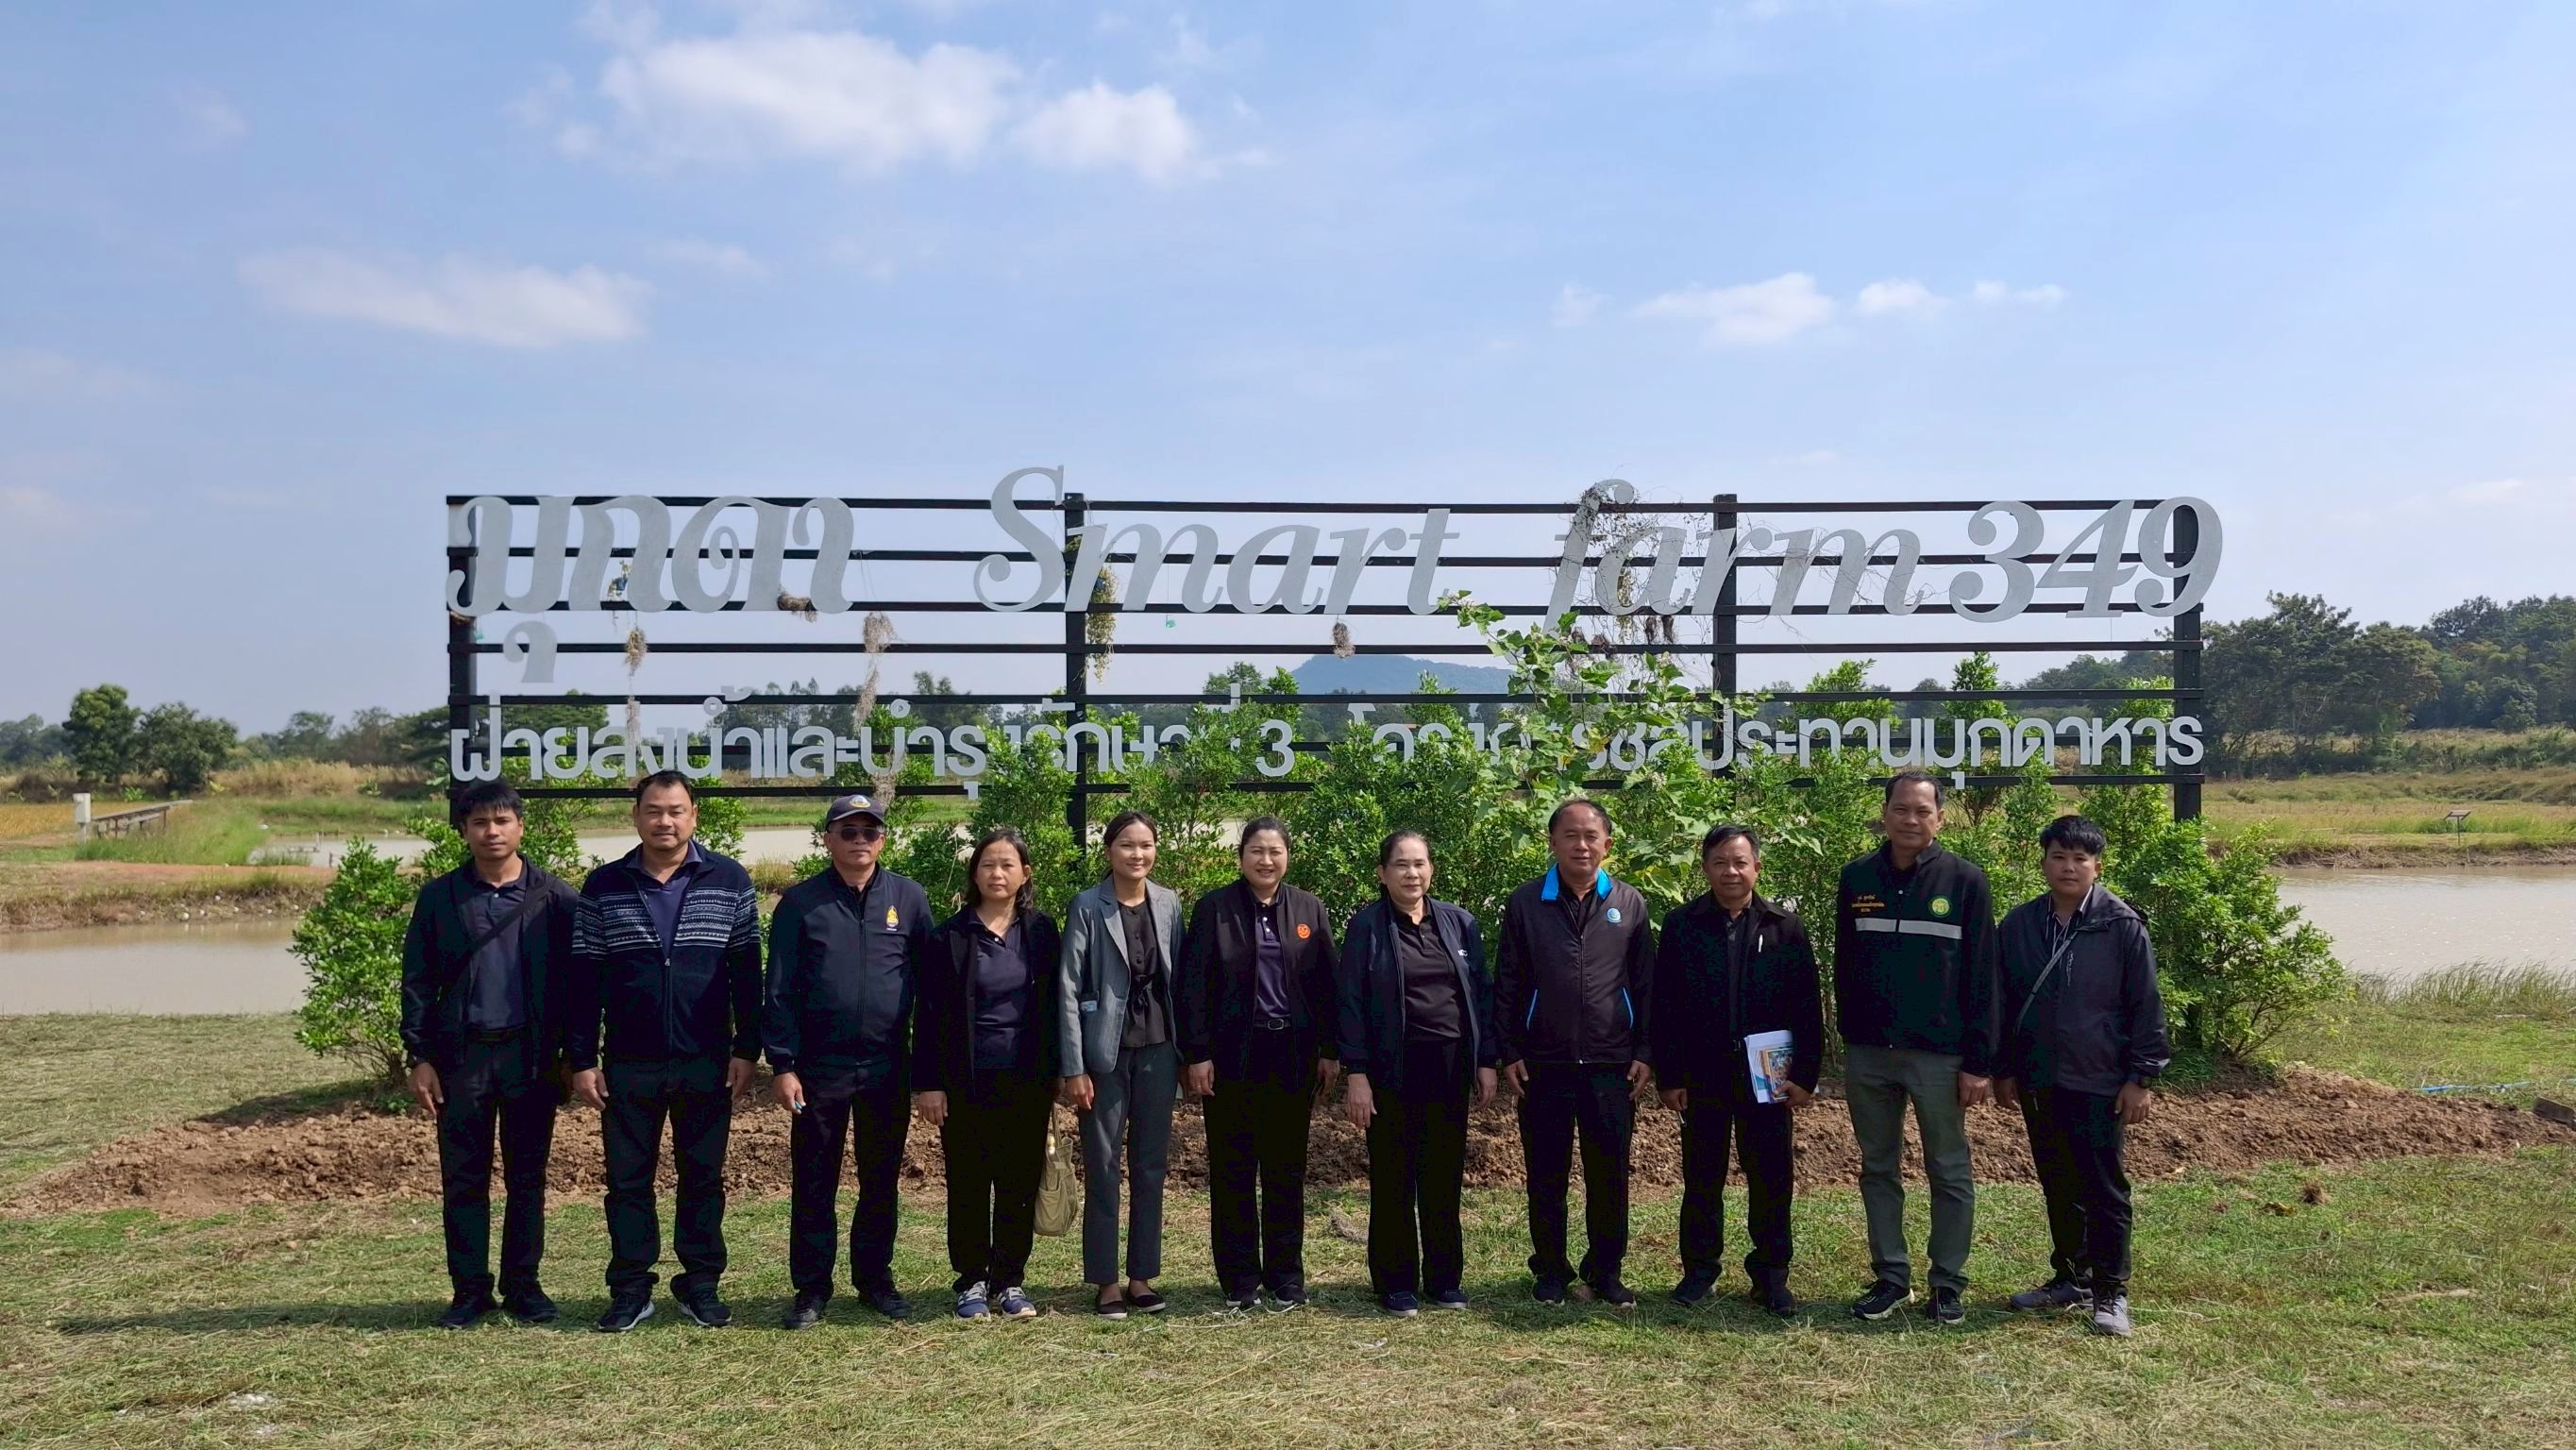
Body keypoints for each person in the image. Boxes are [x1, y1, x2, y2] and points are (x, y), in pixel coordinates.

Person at [565, 770, 765, 1334]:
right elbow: (584, 981)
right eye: (653, 810)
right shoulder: (604, 886)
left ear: (694, 815)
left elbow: (747, 975)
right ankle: (631, 1289)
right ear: (636, 816)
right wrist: (582, 1058)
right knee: (628, 1180)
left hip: (708, 1059)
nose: (665, 821)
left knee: (702, 1177)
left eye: (676, 810)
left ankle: (700, 1284)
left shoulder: (729, 880)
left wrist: (747, 1047)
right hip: (630, 1062)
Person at [399, 780, 581, 1330]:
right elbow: (417, 980)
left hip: (530, 1058)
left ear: (520, 827)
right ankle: (469, 1291)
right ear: (463, 830)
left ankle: (523, 1287)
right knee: (464, 1178)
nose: (492, 831)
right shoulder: (440, 897)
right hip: (462, 1059)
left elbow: (581, 986)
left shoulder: (556, 898)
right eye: (479, 822)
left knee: (528, 1177)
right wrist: (420, 1056)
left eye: (502, 821)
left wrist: (577, 1055)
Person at [1995, 814, 2171, 1340]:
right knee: (2057, 1180)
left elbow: (2146, 1004)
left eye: (2079, 858)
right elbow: (2002, 1002)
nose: (2068, 867)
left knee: (2104, 1187)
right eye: (2058, 857)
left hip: (2100, 1077)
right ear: (2043, 860)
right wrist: (2004, 1068)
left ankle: (2111, 1291)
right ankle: (2070, 1278)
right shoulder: (2021, 924)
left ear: (2097, 865)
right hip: (2039, 1077)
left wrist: (2142, 1076)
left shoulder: (2121, 925)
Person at [1834, 768, 2000, 1326]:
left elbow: (1983, 979)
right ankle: (1890, 1277)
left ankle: (1947, 1283)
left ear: (1940, 818)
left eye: (1922, 811)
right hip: (1870, 1053)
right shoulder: (1856, 877)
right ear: (1884, 814)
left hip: (1941, 1055)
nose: (1911, 819)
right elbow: (1845, 965)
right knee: (1877, 1167)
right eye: (1901, 809)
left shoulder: (1966, 882)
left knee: (1948, 1169)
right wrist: (1850, 1036)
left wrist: (1979, 1061)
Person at [766, 792, 935, 1329]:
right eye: (848, 831)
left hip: (888, 1065)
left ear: (883, 839)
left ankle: (874, 1280)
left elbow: (930, 991)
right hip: (819, 1068)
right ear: (827, 838)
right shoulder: (800, 902)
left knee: (880, 1178)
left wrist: (929, 1067)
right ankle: (812, 1288)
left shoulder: (908, 899)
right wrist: (784, 1064)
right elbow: (780, 989)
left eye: (870, 831)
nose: (860, 840)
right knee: (814, 1179)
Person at [1649, 824, 1823, 1316]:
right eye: (1721, 862)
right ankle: (1699, 1271)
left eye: (1741, 862)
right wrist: (1671, 1075)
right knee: (1702, 1177)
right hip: (1702, 1076)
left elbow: (1806, 1006)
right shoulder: (1682, 924)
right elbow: (1666, 1006)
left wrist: (1805, 1076)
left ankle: (1770, 1275)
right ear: (1706, 868)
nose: (1731, 871)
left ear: (1757, 868)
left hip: (1767, 1078)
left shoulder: (1784, 926)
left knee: (1771, 1177)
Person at [1494, 797, 1656, 1307]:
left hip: (1612, 1066)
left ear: (1607, 844)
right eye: (1571, 835)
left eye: (1592, 836)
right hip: (1543, 1065)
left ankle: (1606, 1272)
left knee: (1610, 1176)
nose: (1581, 844)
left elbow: (1646, 986)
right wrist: (1509, 1050)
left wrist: (1645, 1050)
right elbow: (1508, 983)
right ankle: (1550, 1271)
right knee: (1546, 1174)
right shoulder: (1525, 904)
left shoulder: (1629, 904)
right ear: (1553, 842)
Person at [1177, 817, 1339, 1311]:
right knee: (1233, 1171)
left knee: (1286, 1172)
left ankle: (1286, 1277)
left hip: (1292, 1058)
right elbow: (1193, 987)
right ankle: (1240, 1279)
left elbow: (1328, 987)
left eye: (1275, 851)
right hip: (1231, 1060)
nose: (1266, 860)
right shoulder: (1214, 909)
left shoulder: (1309, 908)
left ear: (1287, 856)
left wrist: (1331, 1052)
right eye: (1256, 851)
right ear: (1241, 856)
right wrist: (1197, 1054)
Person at [1338, 829, 1497, 1317]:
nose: (1412, 873)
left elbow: (1482, 996)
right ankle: (1396, 1282)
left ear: (1432, 870)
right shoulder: (1367, 927)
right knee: (1393, 1177)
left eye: (1420, 864)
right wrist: (1357, 1074)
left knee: (1443, 1176)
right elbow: (1351, 1004)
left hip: (1449, 1068)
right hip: (1391, 1070)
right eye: (1401, 865)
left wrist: (1486, 1060)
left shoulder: (1459, 923)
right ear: (1383, 874)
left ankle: (1445, 1280)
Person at [915, 827, 1062, 1324]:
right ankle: (972, 1279)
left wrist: (1062, 1071)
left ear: (1025, 873)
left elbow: (1056, 1009)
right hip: (965, 1082)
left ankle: (1011, 1280)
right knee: (970, 1182)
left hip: (1027, 1081)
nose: (997, 874)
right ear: (974, 874)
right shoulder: (949, 936)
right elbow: (929, 1014)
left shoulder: (1042, 932)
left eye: (1007, 865)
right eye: (987, 865)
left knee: (1020, 1182)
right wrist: (929, 1083)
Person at [1056, 810, 1186, 1319]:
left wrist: (1188, 1052)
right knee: (1104, 1167)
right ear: (1109, 850)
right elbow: (1067, 988)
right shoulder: (1089, 905)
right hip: (1102, 1057)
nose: (1138, 854)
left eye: (1147, 845)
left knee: (1151, 1166)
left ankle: (1141, 1277)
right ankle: (1106, 1282)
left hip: (1158, 1049)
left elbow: (1181, 981)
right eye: (1128, 845)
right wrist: (1074, 1066)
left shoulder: (1169, 903)